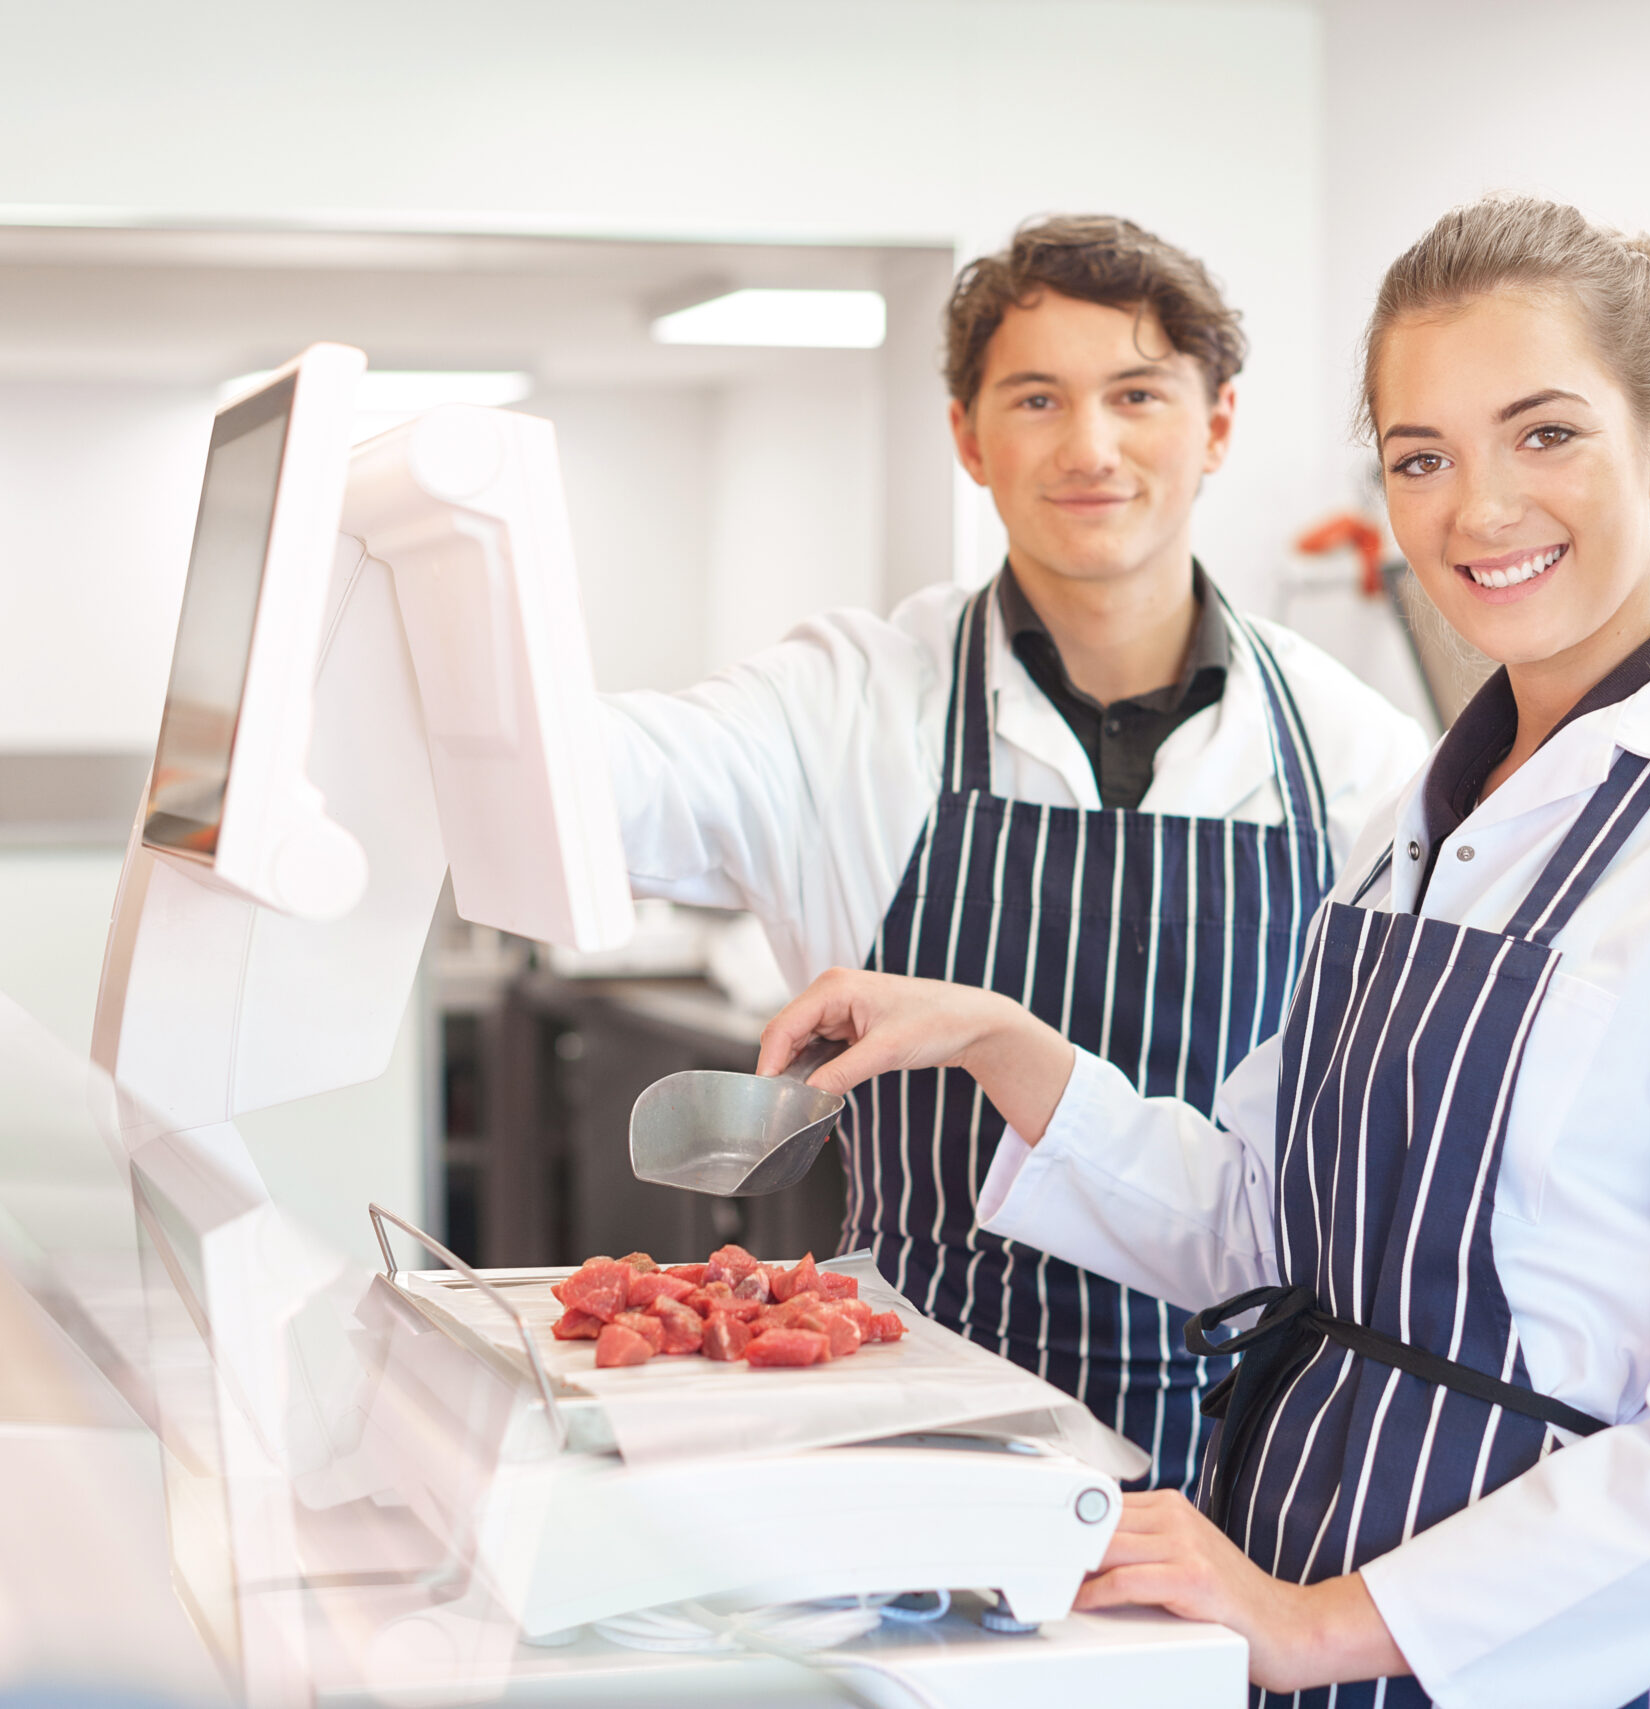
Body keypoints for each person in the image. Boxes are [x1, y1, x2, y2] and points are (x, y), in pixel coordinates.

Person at [756, 197, 1650, 1707]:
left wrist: (1327, 1623)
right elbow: (1252, 1226)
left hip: (1481, 1660)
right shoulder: (1414, 825)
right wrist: (1001, 1039)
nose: (1479, 510)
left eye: (1547, 433)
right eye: (1421, 458)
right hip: (1274, 1611)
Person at [605, 215, 1426, 1491]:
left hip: (1245, 1460)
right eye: (1036, 397)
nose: (1090, 446)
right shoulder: (852, 703)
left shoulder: (1358, 753)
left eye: (1137, 395)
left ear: (1213, 427)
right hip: (907, 1425)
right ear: (967, 437)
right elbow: (611, 785)